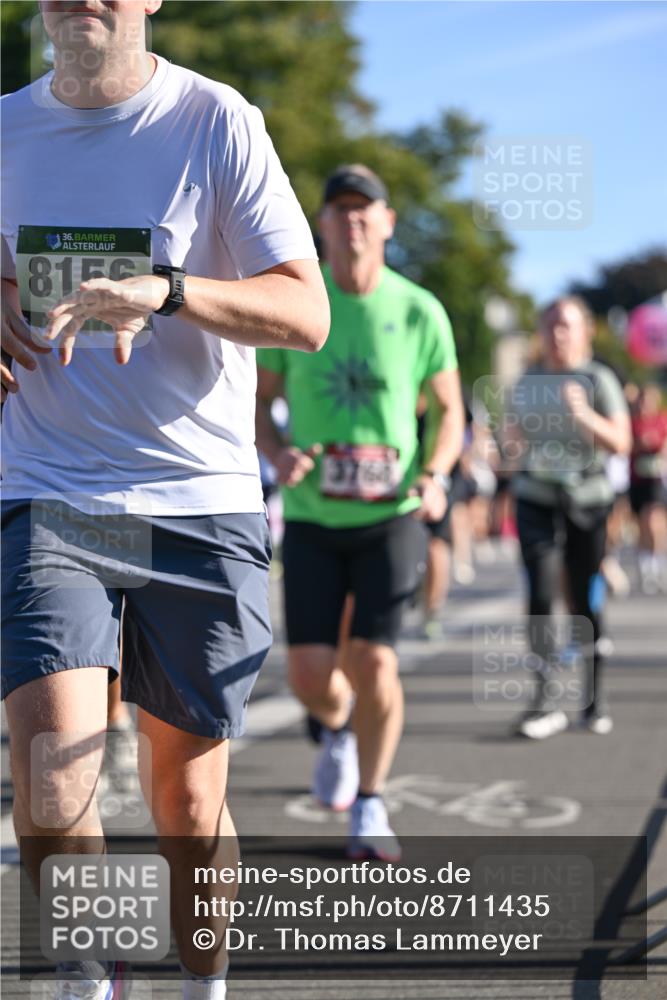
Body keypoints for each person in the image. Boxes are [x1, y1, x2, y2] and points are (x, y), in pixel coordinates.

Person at [1, 4, 329, 999]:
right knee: (54, 775)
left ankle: (203, 980)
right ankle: (90, 975)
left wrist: (169, 290)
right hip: (54, 489)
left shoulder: (215, 120)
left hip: (198, 497)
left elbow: (305, 312)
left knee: (185, 802)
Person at [255, 164, 464, 860]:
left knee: (374, 662)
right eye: (339, 209)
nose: (352, 220)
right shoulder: (299, 298)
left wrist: (435, 474)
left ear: (387, 222)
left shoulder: (419, 309)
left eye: (364, 208)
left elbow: (450, 410)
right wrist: (277, 451)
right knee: (311, 676)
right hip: (313, 516)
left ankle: (371, 801)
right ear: (321, 223)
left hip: (392, 512)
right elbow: (258, 399)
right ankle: (338, 728)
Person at [505, 297, 631, 739]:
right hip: (536, 498)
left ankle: (593, 699)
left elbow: (621, 443)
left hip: (588, 501)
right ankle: (544, 700)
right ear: (540, 332)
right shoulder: (526, 382)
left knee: (583, 598)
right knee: (540, 594)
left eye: (567, 325)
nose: (558, 334)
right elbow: (510, 448)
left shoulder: (598, 379)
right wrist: (509, 442)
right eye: (550, 325)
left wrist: (584, 415)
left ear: (584, 332)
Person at [629, 383, 667, 594]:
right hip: (637, 480)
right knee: (643, 525)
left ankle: (658, 564)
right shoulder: (632, 423)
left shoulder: (662, 421)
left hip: (656, 480)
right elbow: (624, 447)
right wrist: (639, 444)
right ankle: (646, 568)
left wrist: (659, 447)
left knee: (655, 523)